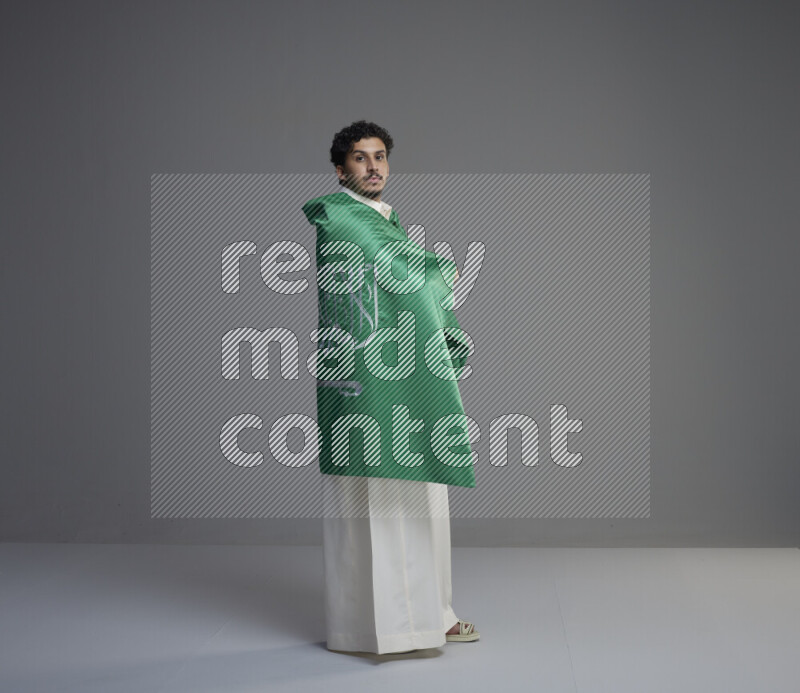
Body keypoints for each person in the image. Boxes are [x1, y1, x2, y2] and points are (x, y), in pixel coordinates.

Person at [302, 120, 479, 654]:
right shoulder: (343, 219)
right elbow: (412, 276)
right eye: (360, 158)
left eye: (380, 156)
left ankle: (432, 612)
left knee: (415, 495)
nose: (374, 166)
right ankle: (393, 626)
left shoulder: (381, 220)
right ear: (340, 170)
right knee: (379, 499)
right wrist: (440, 282)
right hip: (372, 381)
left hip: (396, 374)